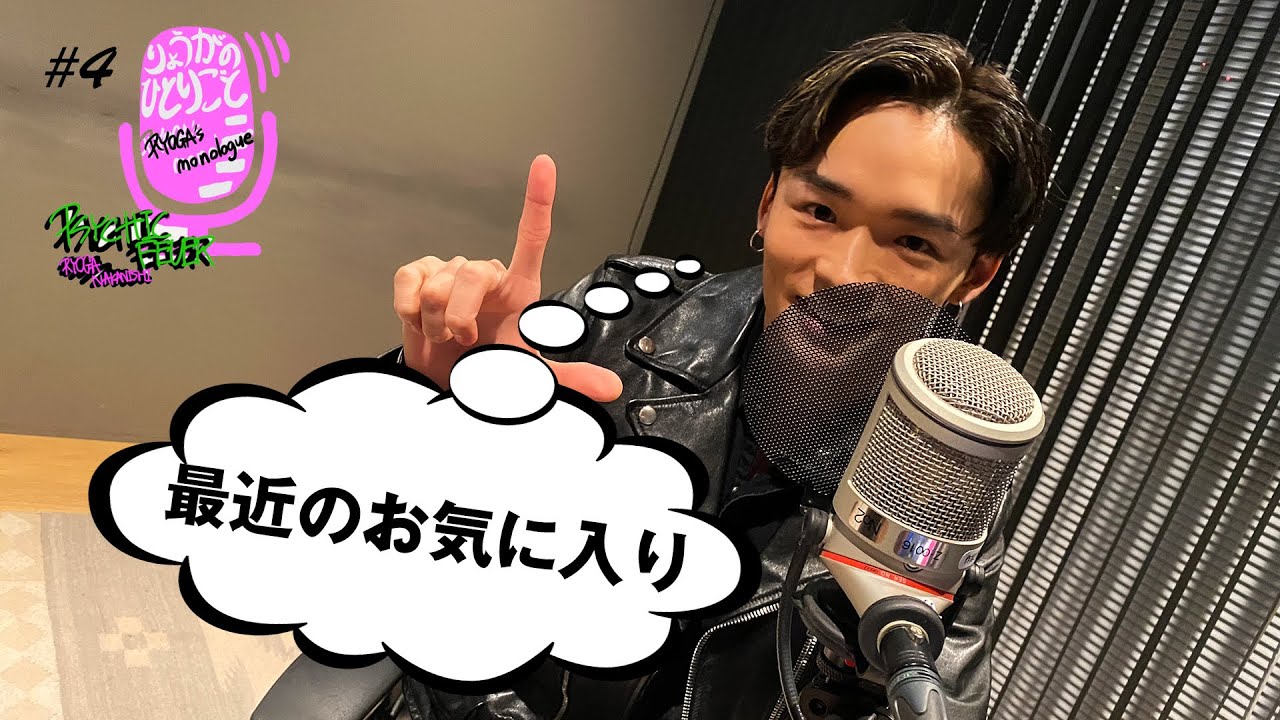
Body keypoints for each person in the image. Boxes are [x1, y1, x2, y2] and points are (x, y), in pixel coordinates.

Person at [383, 30, 1051, 720]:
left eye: (912, 242)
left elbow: (944, 696)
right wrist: (439, 404)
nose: (841, 272)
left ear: (973, 275)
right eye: (820, 212)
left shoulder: (944, 477)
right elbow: (416, 556)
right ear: (767, 205)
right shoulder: (618, 327)